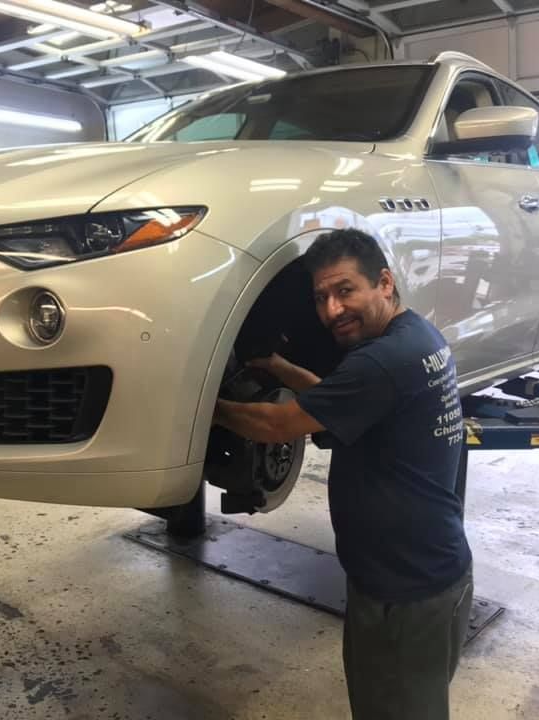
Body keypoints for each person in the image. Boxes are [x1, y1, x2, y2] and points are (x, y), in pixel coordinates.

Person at [214, 228, 473, 720]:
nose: (332, 310)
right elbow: (334, 399)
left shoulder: (383, 360)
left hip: (409, 593)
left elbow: (279, 425)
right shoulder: (415, 335)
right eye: (321, 297)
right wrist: (278, 366)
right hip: (410, 576)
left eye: (345, 290)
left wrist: (202, 408)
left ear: (384, 283)